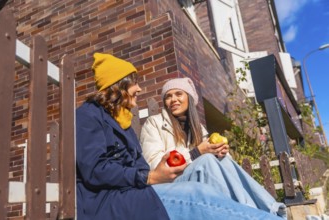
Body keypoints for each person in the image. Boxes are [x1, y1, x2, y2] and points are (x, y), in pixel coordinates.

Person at [76, 52, 284, 220]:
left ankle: (272, 213)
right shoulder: (90, 115)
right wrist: (191, 154)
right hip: (112, 200)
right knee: (196, 191)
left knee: (211, 165)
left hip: (137, 190)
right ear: (118, 85)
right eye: (134, 82)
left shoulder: (126, 126)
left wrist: (219, 153)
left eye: (179, 94)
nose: (139, 88)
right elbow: (99, 169)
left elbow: (139, 169)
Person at [140, 77, 287, 219]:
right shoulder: (154, 123)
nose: (173, 100)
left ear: (189, 98)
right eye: (168, 96)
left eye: (179, 94)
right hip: (169, 186)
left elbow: (222, 168)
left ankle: (271, 210)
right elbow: (153, 165)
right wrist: (196, 153)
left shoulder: (198, 129)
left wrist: (221, 152)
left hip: (195, 183)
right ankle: (254, 215)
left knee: (223, 161)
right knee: (206, 161)